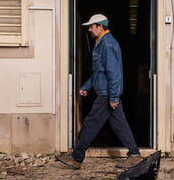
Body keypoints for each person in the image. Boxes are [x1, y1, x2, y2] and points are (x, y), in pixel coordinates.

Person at [57, 13, 140, 169]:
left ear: (100, 27)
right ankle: (134, 154)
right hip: (106, 92)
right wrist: (87, 87)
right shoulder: (101, 43)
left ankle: (76, 158)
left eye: (92, 27)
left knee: (90, 123)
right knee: (119, 124)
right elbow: (98, 72)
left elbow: (114, 73)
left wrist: (114, 96)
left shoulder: (107, 45)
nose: (89, 30)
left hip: (106, 94)